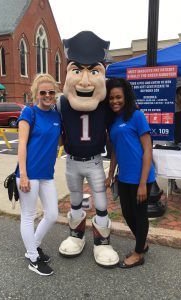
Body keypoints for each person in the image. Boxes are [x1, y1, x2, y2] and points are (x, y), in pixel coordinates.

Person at [58, 31, 119, 267]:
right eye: (77, 71)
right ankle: (76, 235)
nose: (84, 81)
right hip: (72, 160)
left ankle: (102, 242)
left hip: (95, 160)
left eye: (93, 71)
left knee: (101, 202)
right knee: (75, 198)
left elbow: (116, 130)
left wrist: (113, 167)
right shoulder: (62, 102)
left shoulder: (105, 101)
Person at [105, 77, 155, 269]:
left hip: (142, 176)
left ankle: (138, 253)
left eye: (118, 97)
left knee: (140, 214)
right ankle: (142, 242)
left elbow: (148, 150)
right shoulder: (114, 121)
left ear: (126, 97)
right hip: (124, 176)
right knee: (127, 213)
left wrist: (143, 183)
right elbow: (116, 150)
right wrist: (110, 173)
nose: (115, 101)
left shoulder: (137, 116)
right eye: (111, 98)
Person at [16, 73, 61, 276]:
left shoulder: (56, 115)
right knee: (28, 216)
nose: (47, 95)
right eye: (43, 92)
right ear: (36, 93)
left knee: (52, 214)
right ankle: (33, 259)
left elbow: (57, 142)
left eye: (51, 92)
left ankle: (33, 246)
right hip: (29, 173)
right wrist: (23, 175)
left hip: (46, 174)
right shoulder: (29, 113)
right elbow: (22, 145)